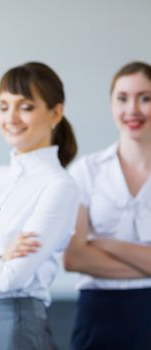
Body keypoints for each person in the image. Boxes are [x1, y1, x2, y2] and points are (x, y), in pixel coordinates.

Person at [0, 62, 80, 350]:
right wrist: (1, 255)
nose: (11, 117)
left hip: (15, 325)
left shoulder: (59, 186)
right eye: (3, 106)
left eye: (25, 106)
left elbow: (12, 278)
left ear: (55, 113)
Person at [64, 61, 151, 350]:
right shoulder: (86, 171)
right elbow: (74, 258)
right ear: (112, 104)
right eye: (122, 98)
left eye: (145, 98)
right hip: (99, 315)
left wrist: (104, 244)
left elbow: (86, 250)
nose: (132, 110)